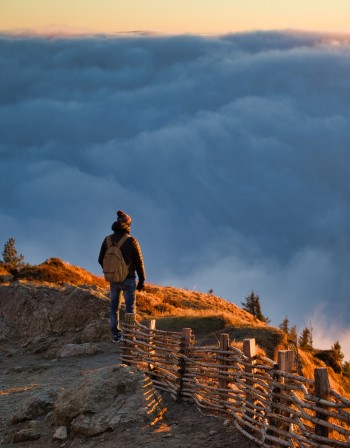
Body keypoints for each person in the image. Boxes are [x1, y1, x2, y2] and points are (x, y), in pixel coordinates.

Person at [98, 210, 146, 342]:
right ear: (127, 225)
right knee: (130, 308)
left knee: (114, 307)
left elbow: (100, 259)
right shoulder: (131, 241)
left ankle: (116, 334)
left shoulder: (107, 240)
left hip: (113, 279)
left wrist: (110, 271)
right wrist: (142, 280)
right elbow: (139, 262)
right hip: (129, 279)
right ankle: (130, 335)